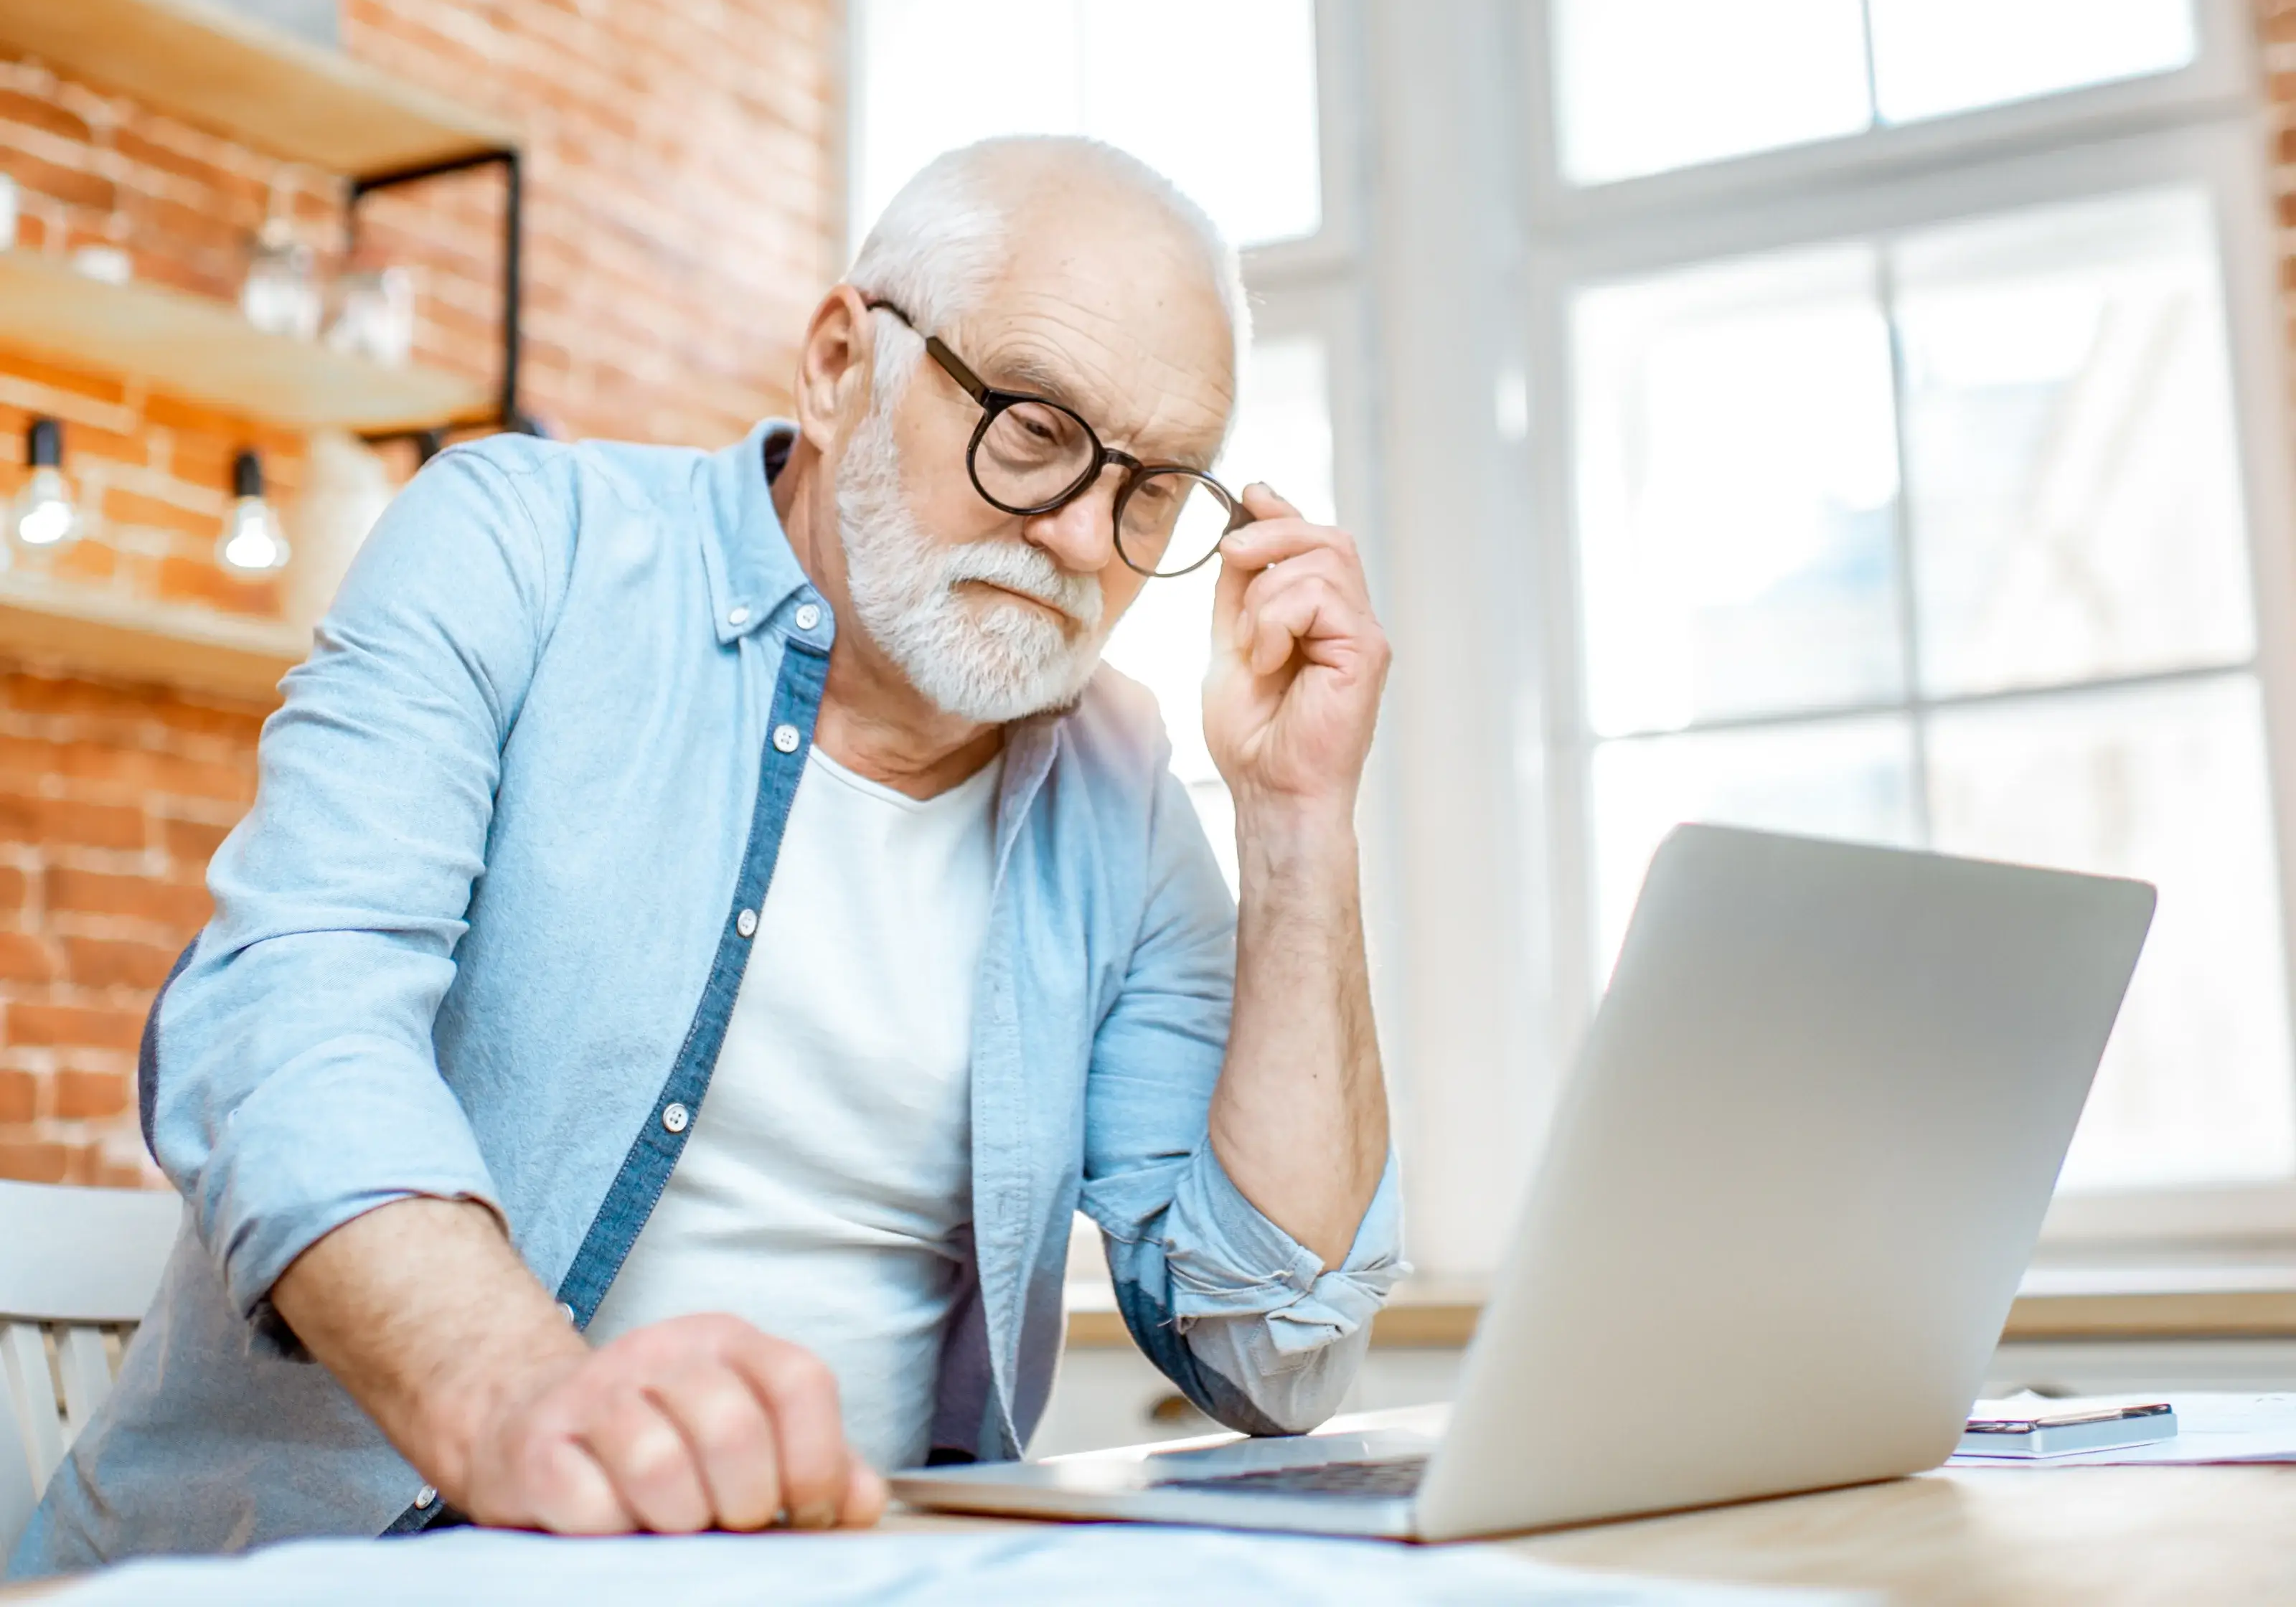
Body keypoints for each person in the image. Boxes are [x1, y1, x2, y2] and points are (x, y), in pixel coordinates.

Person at [7, 136, 1401, 1576]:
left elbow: (1274, 1353)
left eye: (1152, 489)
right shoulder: (522, 546)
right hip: (355, 1563)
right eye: (1034, 427)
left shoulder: (1121, 794)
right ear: (839, 362)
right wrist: (523, 1401)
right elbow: (284, 1020)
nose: (1077, 537)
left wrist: (1297, 821)